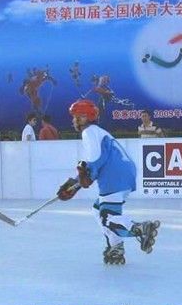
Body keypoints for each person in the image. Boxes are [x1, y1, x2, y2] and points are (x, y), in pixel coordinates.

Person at [57, 99, 160, 265]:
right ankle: (116, 247)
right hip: (123, 174)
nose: (74, 120)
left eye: (77, 116)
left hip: (114, 177)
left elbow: (94, 160)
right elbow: (97, 161)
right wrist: (75, 184)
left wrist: (80, 180)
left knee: (107, 217)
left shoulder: (89, 132)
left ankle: (139, 229)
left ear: (86, 117)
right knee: (98, 209)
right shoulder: (98, 132)